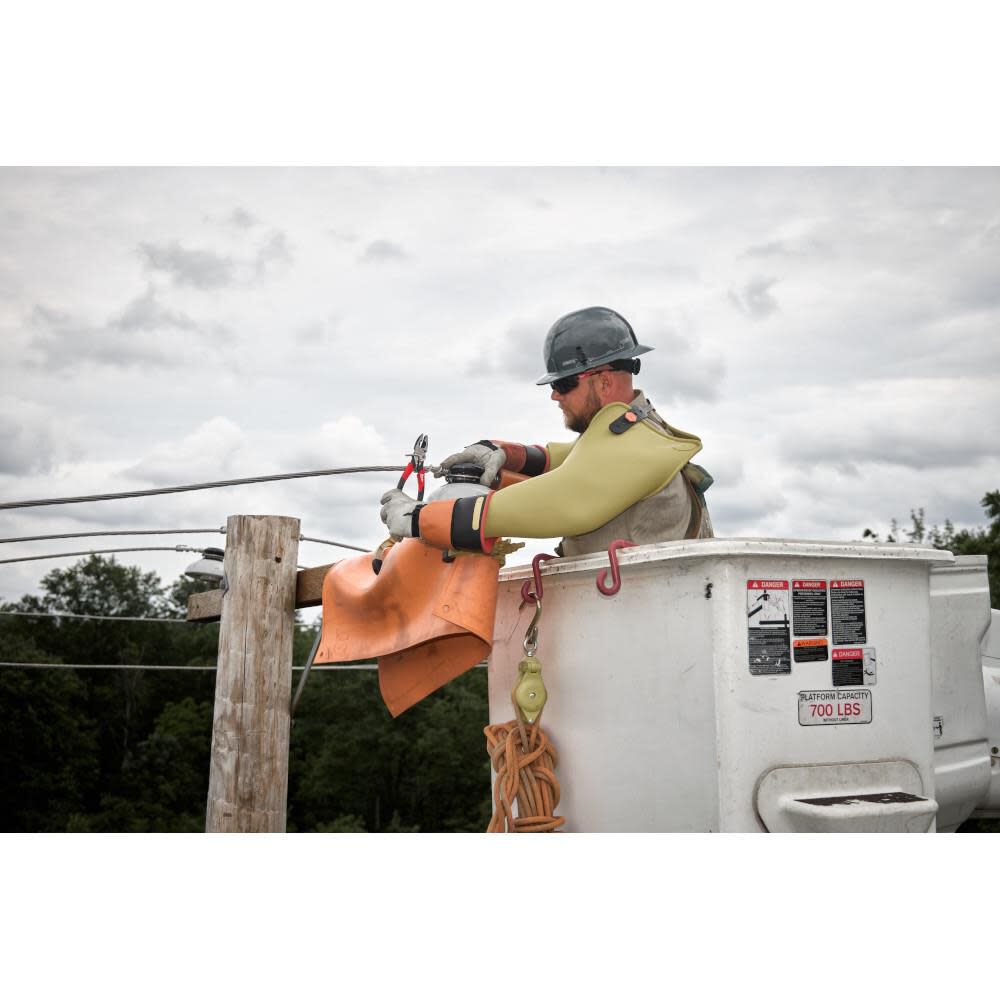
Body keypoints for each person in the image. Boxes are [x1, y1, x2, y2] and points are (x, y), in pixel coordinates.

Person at [380, 306, 714, 557]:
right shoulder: (631, 434)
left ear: (604, 381)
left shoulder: (636, 447)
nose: (555, 395)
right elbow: (575, 459)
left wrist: (423, 518)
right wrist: (507, 454)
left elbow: (565, 498)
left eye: (563, 384)